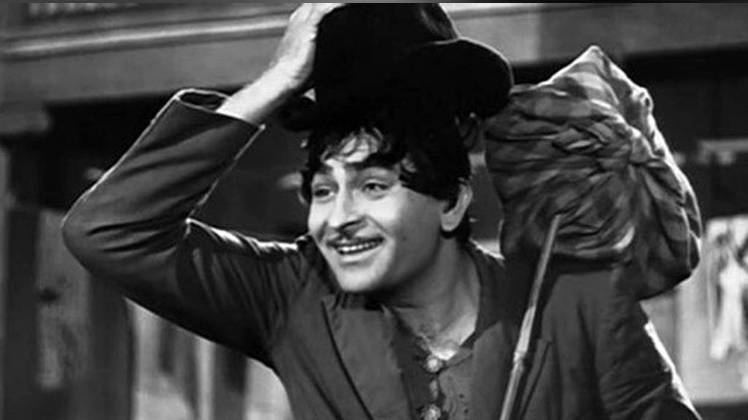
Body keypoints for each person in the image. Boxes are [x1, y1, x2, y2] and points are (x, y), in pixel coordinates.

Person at [62, 4, 702, 420]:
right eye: (322, 190)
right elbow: (108, 232)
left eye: (373, 186)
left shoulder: (576, 307)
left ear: (451, 202)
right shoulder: (293, 297)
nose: (338, 217)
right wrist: (278, 81)